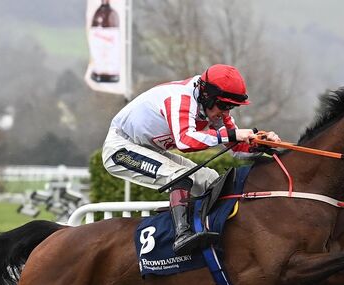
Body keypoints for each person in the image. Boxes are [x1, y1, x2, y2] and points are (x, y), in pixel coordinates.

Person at [102, 64, 280, 255]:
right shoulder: (180, 98)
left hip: (150, 149)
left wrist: (260, 144)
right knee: (179, 177)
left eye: (231, 107)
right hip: (120, 148)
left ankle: (213, 229)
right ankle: (182, 236)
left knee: (212, 180)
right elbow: (186, 141)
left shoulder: (211, 106)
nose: (226, 113)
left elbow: (236, 148)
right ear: (207, 96)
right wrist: (232, 134)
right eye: (223, 106)